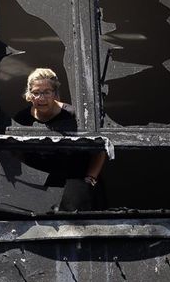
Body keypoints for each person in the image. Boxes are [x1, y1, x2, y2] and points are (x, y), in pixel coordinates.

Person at [12, 67, 106, 211]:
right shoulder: (21, 119)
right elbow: (15, 153)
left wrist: (89, 180)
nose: (41, 98)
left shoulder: (74, 116)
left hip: (76, 185)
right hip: (39, 188)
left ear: (55, 93)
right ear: (29, 95)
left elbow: (100, 148)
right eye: (36, 93)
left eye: (46, 92)